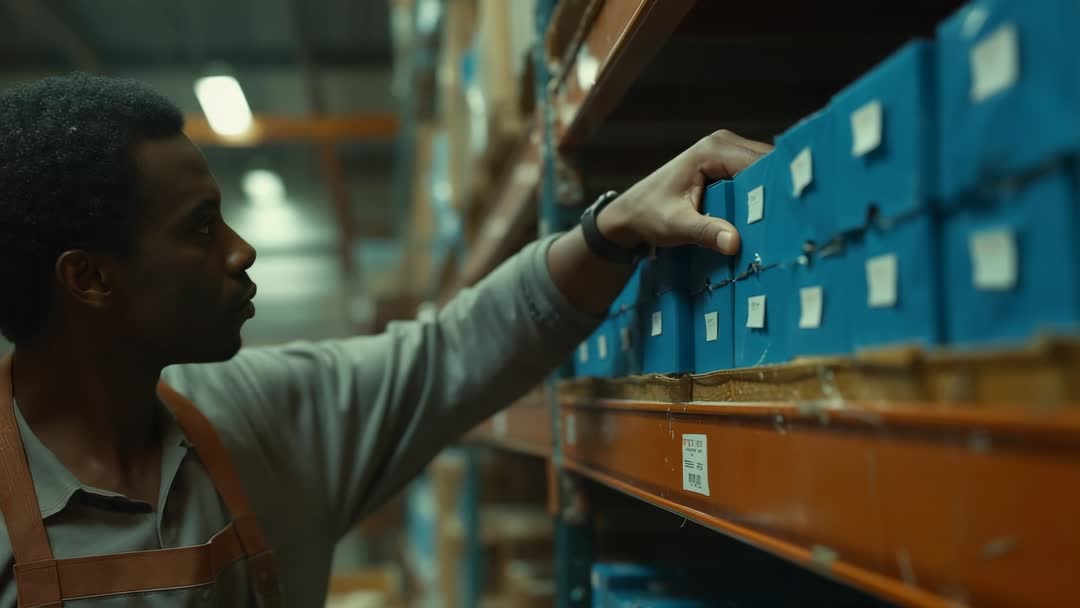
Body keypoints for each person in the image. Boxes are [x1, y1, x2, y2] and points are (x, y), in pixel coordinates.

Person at [0, 73, 769, 606]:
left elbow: (457, 349)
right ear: (89, 279)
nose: (242, 250)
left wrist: (612, 227)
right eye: (201, 229)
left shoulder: (255, 418)